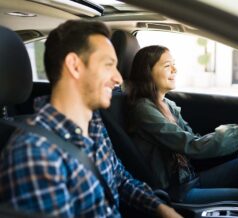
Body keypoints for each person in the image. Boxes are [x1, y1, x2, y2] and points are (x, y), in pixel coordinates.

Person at [0, 21, 182, 218]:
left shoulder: (94, 125)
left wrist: (160, 208)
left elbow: (120, 180)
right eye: (108, 65)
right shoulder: (35, 154)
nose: (118, 78)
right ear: (75, 66)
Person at [126, 45, 238, 203]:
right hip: (177, 192)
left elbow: (195, 139)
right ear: (148, 72)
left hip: (190, 178)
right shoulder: (144, 110)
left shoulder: (167, 104)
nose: (175, 70)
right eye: (167, 66)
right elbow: (192, 145)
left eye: (174, 64)